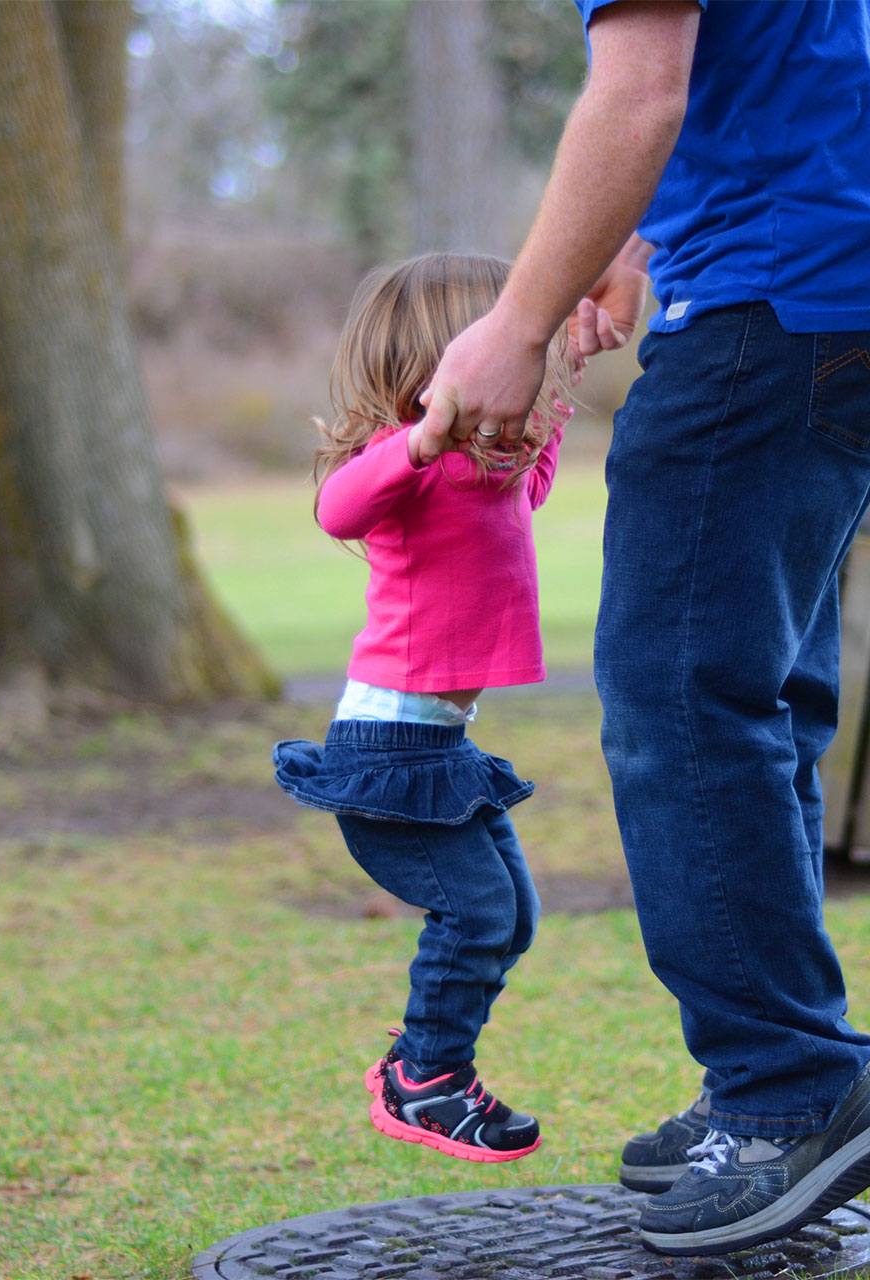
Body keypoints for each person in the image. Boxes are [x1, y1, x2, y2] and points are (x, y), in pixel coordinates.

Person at [411, 0, 870, 1256]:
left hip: (780, 293)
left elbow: (641, 92)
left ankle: (790, 1088)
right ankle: (766, 1087)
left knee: (680, 695)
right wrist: (641, 233)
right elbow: (747, 68)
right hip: (860, 269)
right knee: (755, 687)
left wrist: (515, 323)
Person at [271, 252, 573, 1163]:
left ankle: (426, 1066)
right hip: (387, 750)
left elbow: (531, 487)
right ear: (446, 362)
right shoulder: (400, 468)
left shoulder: (483, 476)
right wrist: (421, 438)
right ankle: (427, 1080)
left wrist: (564, 380)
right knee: (479, 915)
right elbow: (335, 509)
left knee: (512, 915)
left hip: (437, 748)